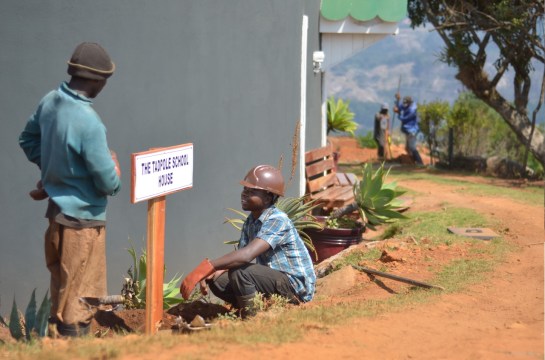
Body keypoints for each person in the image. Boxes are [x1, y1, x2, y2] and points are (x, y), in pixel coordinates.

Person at [19, 42, 121, 337]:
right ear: (96, 80)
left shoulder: (50, 101)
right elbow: (107, 182)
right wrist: (115, 171)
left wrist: (52, 172)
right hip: (84, 223)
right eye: (105, 81)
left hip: (56, 216)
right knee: (81, 299)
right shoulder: (89, 122)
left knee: (62, 287)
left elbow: (28, 140)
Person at [180, 165, 316, 317]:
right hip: (273, 282)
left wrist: (208, 266)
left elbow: (246, 256)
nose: (244, 194)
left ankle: (251, 319)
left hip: (294, 288)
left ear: (268, 197)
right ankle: (251, 309)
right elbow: (239, 258)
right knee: (217, 279)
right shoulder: (251, 221)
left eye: (251, 191)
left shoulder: (278, 220)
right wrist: (211, 272)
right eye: (245, 190)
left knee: (240, 273)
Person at [394, 93, 424, 165]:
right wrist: (398, 100)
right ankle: (412, 162)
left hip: (412, 131)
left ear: (409, 103)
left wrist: (398, 113)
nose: (404, 105)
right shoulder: (407, 106)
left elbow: (404, 119)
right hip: (407, 131)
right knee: (408, 148)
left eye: (406, 103)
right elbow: (400, 107)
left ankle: (419, 162)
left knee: (412, 147)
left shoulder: (412, 110)